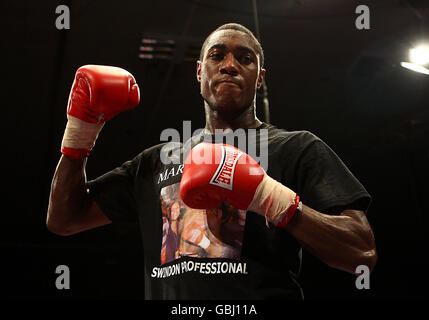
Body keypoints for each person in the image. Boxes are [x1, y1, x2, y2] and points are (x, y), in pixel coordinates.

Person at [47, 23, 377, 300]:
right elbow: (65, 219)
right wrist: (82, 129)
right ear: (199, 71)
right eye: (217, 56)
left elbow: (361, 253)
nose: (229, 65)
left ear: (260, 77)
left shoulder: (296, 147)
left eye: (245, 59)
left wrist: (269, 196)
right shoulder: (156, 161)